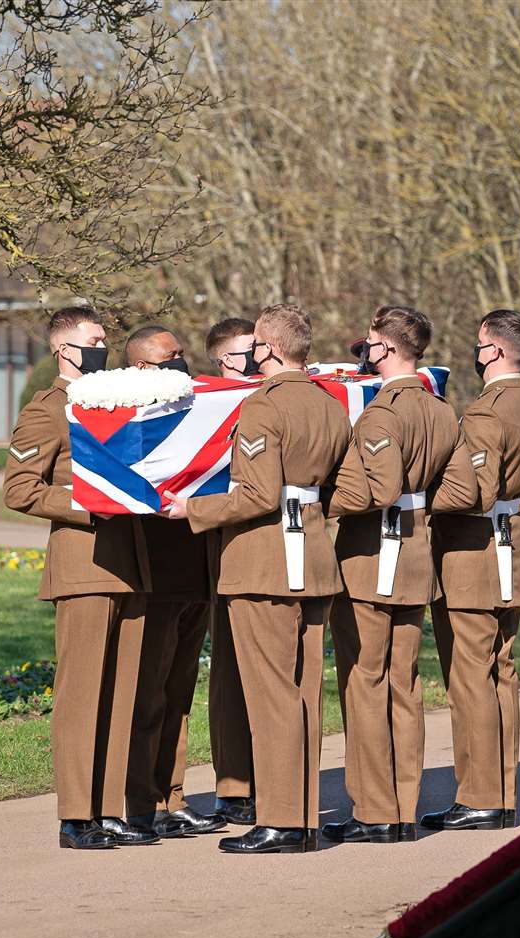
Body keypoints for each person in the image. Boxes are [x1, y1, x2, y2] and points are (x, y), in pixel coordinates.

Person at [165, 304, 350, 854]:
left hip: (264, 560)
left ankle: (281, 820)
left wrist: (191, 511)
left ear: (266, 348)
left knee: (269, 696)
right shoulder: (329, 404)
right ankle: (302, 813)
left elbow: (257, 494)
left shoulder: (262, 407)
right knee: (303, 695)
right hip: (314, 556)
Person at [3, 306, 157, 850]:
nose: (103, 347)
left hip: (132, 564)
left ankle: (110, 809)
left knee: (123, 693)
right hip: (84, 562)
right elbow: (20, 488)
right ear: (64, 349)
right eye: (93, 340)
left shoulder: (119, 404)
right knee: (83, 693)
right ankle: (76, 814)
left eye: (104, 338)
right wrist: (89, 504)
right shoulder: (47, 410)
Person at [325, 305, 477, 843]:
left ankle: (374, 809)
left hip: (372, 560)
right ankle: (404, 805)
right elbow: (462, 491)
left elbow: (378, 488)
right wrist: (421, 503)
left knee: (365, 683)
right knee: (404, 685)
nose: (364, 352)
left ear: (385, 348)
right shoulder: (441, 411)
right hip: (417, 555)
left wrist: (324, 500)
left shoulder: (382, 413)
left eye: (368, 343)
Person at [422, 309, 520, 830]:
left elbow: (470, 493)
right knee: (501, 672)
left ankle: (479, 796)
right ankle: (499, 792)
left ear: (493, 351)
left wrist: (421, 498)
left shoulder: (484, 413)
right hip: (509, 542)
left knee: (470, 677)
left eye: (479, 345)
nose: (475, 353)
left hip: (471, 552)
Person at [120, 325, 224, 839]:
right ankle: (140, 798)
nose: (182, 363)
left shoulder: (196, 407)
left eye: (182, 354)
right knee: (150, 691)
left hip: (195, 568)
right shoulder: (123, 417)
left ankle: (171, 794)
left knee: (180, 691)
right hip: (155, 572)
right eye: (171, 357)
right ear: (142, 367)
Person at [202, 317, 260, 825]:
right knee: (230, 669)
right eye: (248, 352)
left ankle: (274, 779)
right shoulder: (206, 406)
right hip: (215, 545)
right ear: (224, 361)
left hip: (268, 544)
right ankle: (234, 783)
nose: (258, 359)